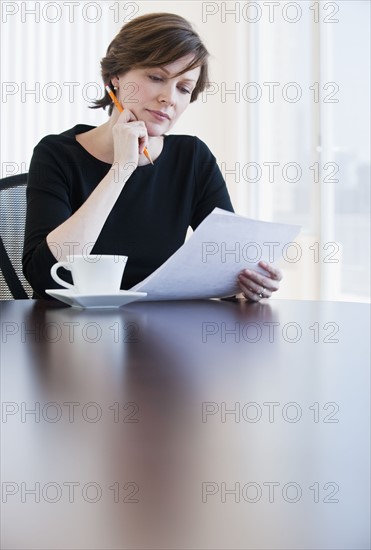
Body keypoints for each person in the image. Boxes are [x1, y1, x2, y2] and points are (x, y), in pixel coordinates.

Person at [22, 12, 282, 301]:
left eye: (184, 88)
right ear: (115, 77)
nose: (170, 98)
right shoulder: (56, 154)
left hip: (160, 335)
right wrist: (121, 170)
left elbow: (226, 267)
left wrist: (248, 283)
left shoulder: (193, 158)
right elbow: (44, 273)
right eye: (157, 77)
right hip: (68, 334)